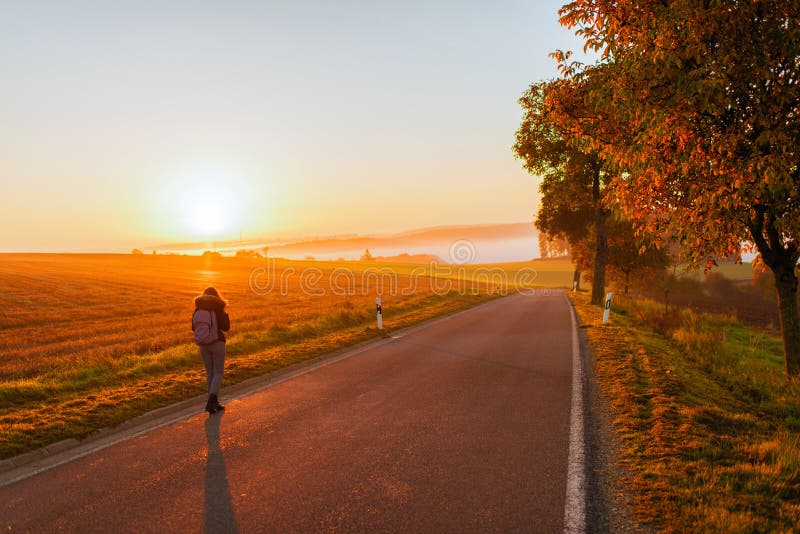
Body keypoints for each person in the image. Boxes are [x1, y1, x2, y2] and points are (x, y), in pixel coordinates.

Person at [192, 287, 231, 413]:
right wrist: (224, 314)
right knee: (218, 372)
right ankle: (211, 401)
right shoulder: (218, 308)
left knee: (210, 373)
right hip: (217, 343)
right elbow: (226, 327)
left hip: (203, 345)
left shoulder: (198, 309)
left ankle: (214, 402)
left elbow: (193, 327)